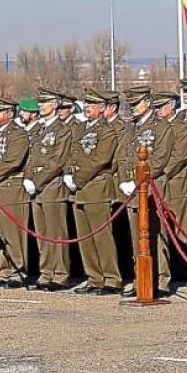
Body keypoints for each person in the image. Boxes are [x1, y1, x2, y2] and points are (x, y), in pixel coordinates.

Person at [117, 86, 173, 297]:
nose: (133, 108)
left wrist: (138, 179)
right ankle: (141, 277)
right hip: (133, 191)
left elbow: (159, 159)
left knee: (157, 235)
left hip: (152, 188)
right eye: (130, 105)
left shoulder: (161, 127)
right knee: (136, 237)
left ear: (148, 103)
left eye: (136, 104)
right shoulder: (130, 127)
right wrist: (125, 180)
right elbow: (122, 156)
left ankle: (162, 279)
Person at [65, 89, 123, 295]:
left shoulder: (106, 131)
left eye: (92, 105)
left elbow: (100, 159)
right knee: (85, 238)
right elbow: (70, 154)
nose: (88, 108)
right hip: (79, 190)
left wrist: (78, 177)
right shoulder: (80, 129)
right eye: (87, 104)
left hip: (96, 187)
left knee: (101, 237)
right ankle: (94, 277)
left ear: (102, 108)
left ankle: (111, 278)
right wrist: (68, 174)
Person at [0, 97, 31, 288]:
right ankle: (3, 270)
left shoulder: (18, 134)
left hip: (10, 188)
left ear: (9, 114)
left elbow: (13, 161)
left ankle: (18, 271)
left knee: (13, 234)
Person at [28, 89, 73, 290]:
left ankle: (60, 274)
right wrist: (29, 177)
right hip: (36, 189)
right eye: (40, 103)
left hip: (52, 186)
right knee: (42, 234)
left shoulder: (62, 130)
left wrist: (36, 180)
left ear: (54, 105)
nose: (41, 106)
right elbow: (30, 157)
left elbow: (57, 161)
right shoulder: (37, 129)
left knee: (57, 234)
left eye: (45, 103)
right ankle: (46, 272)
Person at [155, 91, 187, 284]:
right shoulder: (157, 128)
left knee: (181, 229)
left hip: (176, 183)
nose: (157, 111)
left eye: (161, 106)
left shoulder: (182, 128)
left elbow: (179, 156)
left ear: (171, 106)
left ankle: (182, 269)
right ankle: (163, 269)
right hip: (158, 184)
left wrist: (160, 172)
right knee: (161, 228)